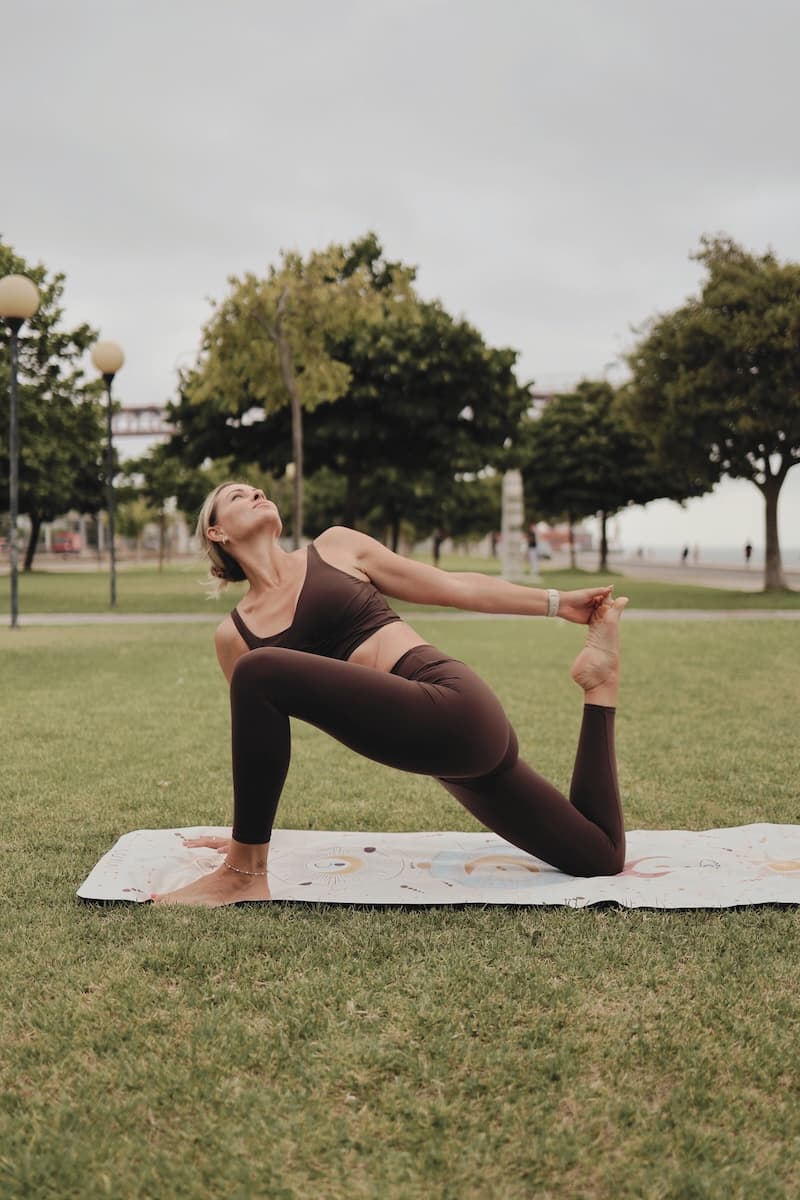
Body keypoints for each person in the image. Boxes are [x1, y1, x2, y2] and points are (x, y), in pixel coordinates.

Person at [153, 482, 629, 907]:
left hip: (451, 703)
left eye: (258, 489)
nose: (256, 492)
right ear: (217, 534)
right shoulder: (234, 637)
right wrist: (247, 833)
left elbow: (452, 587)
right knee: (598, 855)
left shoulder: (335, 547)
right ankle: (600, 683)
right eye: (237, 496)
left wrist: (557, 603)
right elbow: (258, 747)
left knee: (258, 672)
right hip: (445, 756)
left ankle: (242, 875)